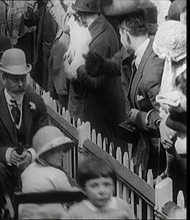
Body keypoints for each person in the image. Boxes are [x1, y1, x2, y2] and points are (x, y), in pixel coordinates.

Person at [84, 0, 171, 178]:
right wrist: (101, 65)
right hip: (142, 140)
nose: (120, 41)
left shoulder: (151, 74)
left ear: (126, 34)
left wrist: (137, 116)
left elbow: (164, 117)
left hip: (154, 147)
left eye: (120, 35)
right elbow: (119, 62)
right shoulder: (141, 46)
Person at [0, 48, 49, 216]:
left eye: (23, 79)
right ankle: (8, 209)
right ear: (4, 78)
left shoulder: (36, 102)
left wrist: (30, 154)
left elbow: (44, 138)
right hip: (1, 165)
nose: (21, 84)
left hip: (30, 163)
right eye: (15, 80)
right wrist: (8, 154)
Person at [50, 0, 126, 146]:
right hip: (98, 106)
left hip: (98, 110)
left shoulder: (99, 40)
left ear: (82, 15)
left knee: (95, 149)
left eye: (77, 14)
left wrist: (73, 69)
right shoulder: (98, 28)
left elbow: (94, 81)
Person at [153, 20, 186, 202]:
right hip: (173, 148)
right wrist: (163, 124)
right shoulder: (169, 65)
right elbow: (163, 97)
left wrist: (172, 124)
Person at [20, 125, 79, 219]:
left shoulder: (27, 172)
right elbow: (72, 199)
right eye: (59, 151)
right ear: (46, 152)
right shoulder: (57, 174)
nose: (63, 155)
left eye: (63, 150)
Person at [62, 157, 136, 219]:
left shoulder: (122, 207)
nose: (101, 191)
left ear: (113, 186)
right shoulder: (76, 213)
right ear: (84, 189)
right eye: (94, 186)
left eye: (106, 184)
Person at [23, 0, 59, 91]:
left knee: (57, 83)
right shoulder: (44, 8)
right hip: (45, 52)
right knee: (46, 82)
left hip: (58, 54)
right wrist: (29, 13)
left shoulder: (62, 8)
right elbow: (30, 21)